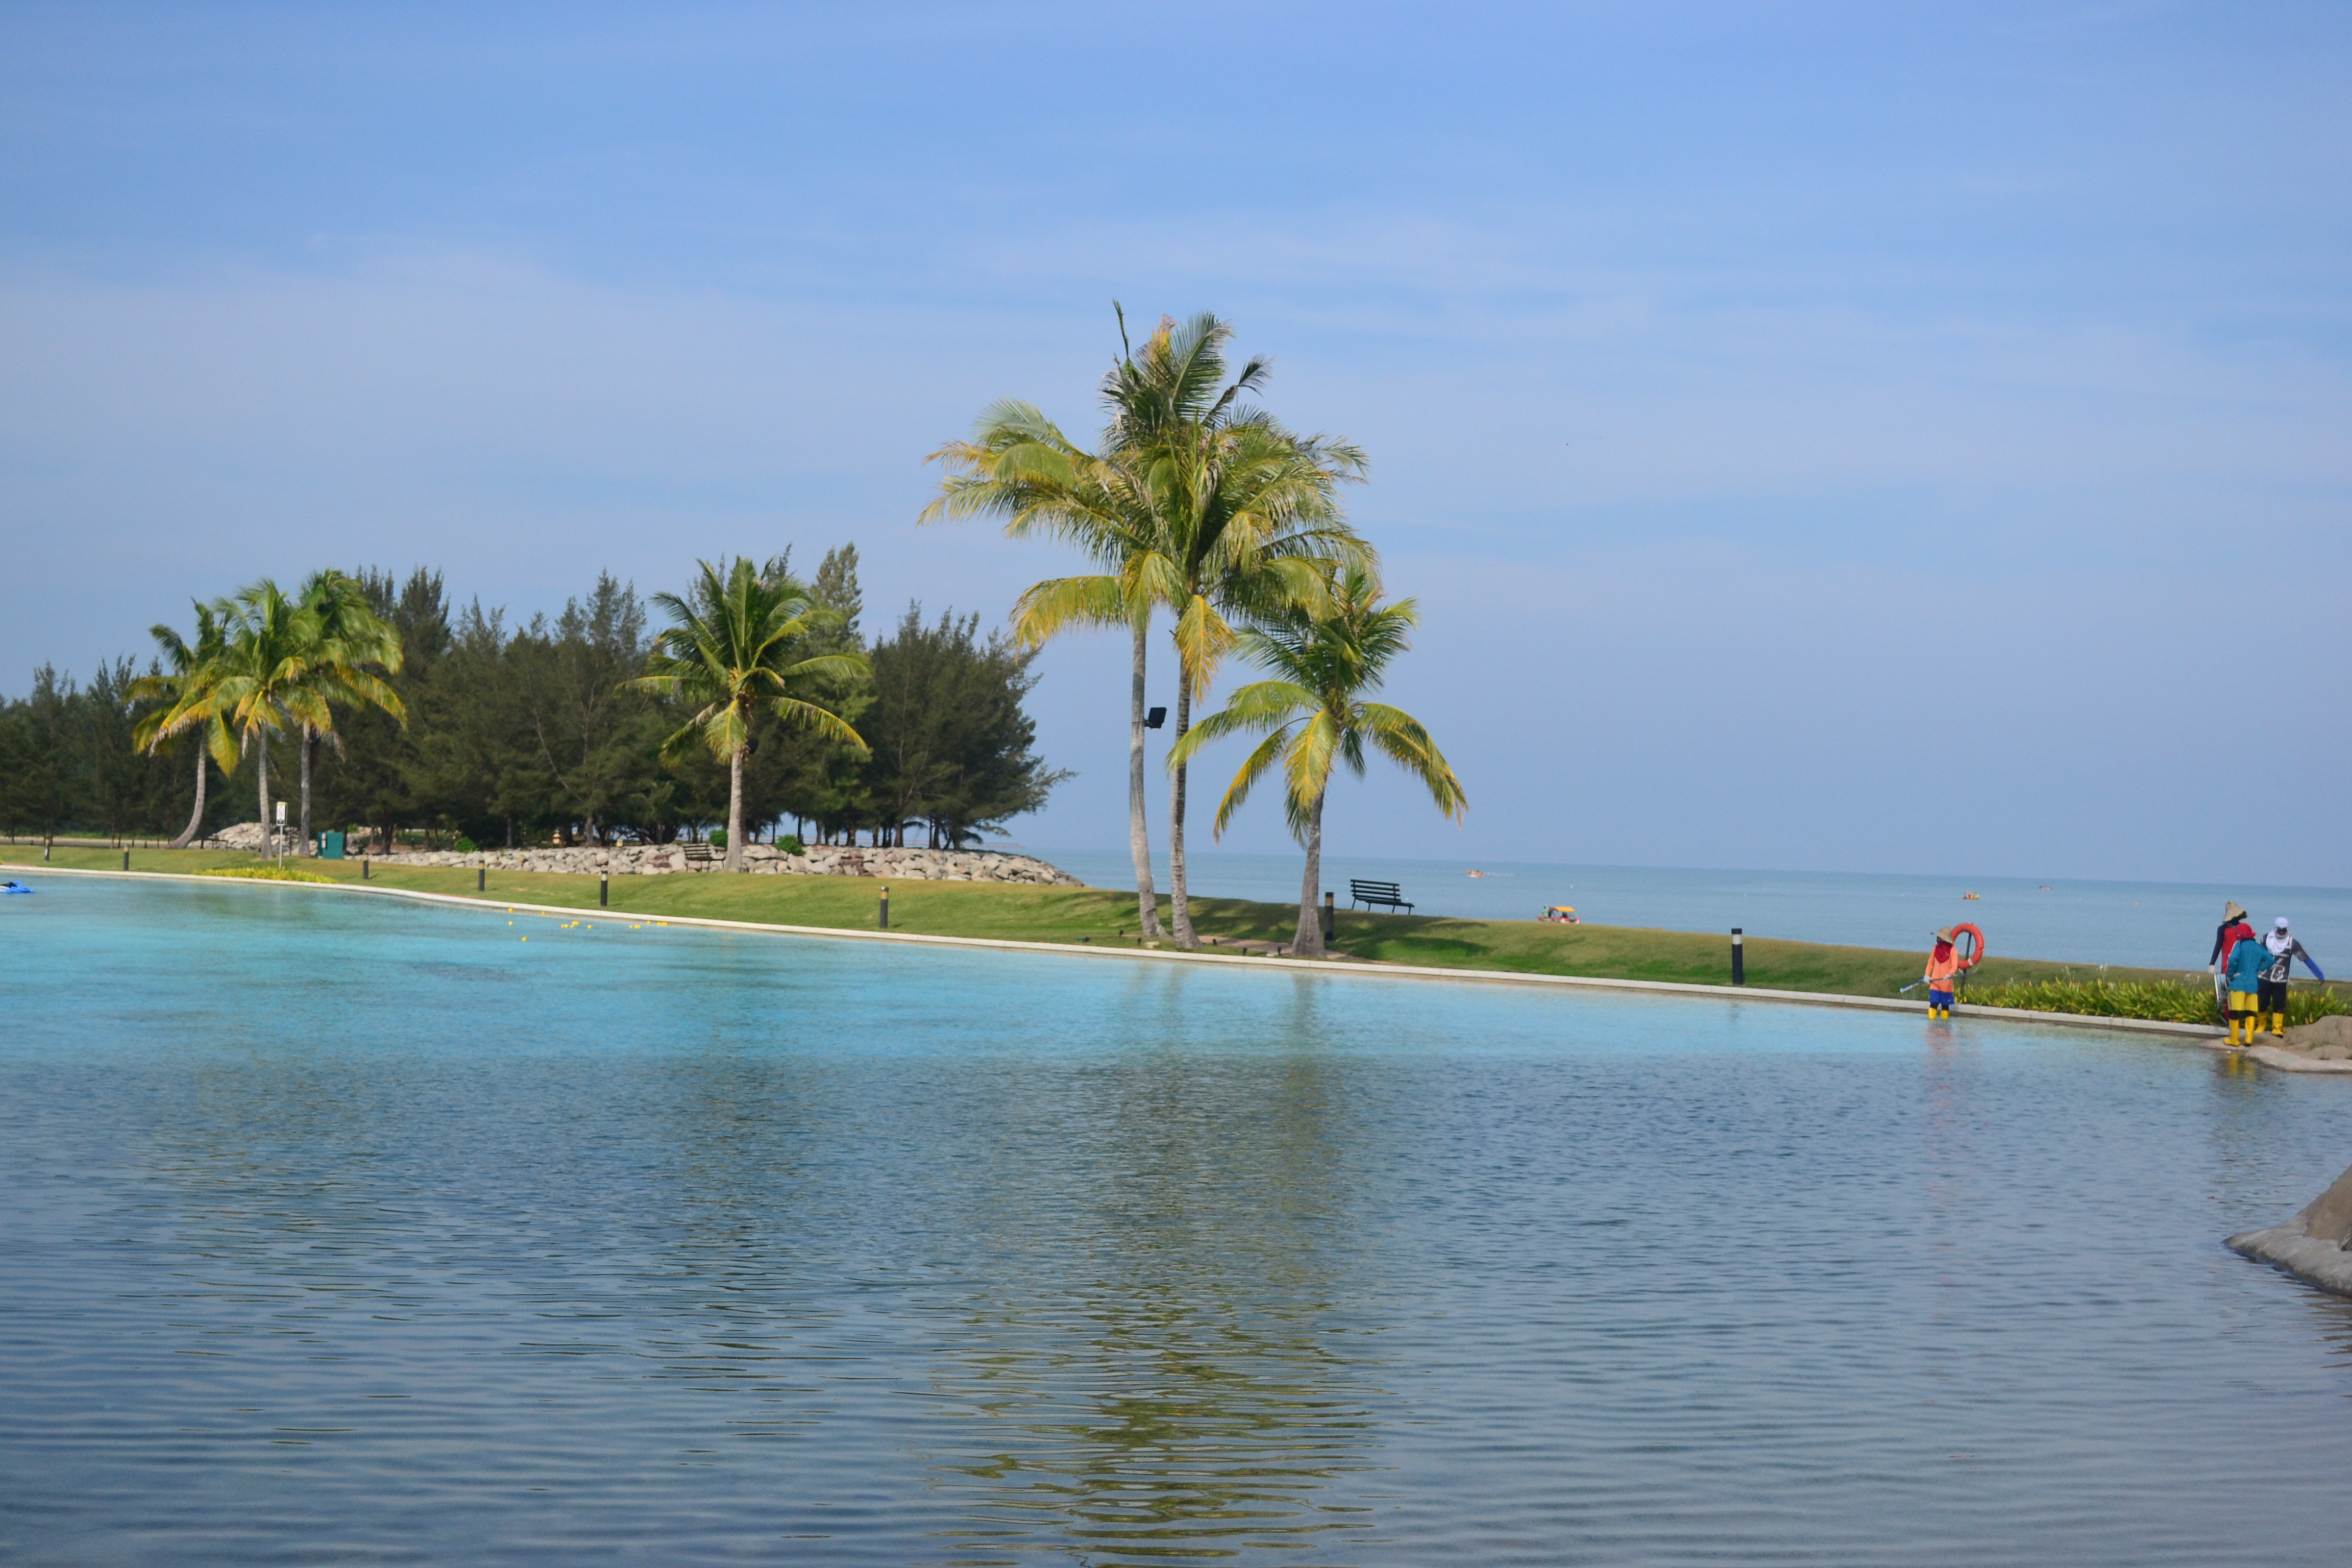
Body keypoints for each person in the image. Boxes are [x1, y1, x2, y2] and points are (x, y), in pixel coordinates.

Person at [2257, 917, 2326, 1039]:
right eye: (2279, 930)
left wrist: (2319, 974)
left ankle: (2277, 1028)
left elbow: (2305, 959)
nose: (2281, 933)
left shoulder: (2292, 944)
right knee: (2262, 1002)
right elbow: (2257, 956)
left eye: (2284, 931)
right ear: (2276, 929)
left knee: (2279, 1004)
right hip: (2264, 977)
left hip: (2281, 980)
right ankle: (2261, 1026)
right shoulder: (2265, 939)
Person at [2224, 921, 2270, 1046]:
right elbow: (2270, 960)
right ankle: (2249, 1039)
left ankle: (2234, 1040)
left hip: (2238, 983)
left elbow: (2233, 960)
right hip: (2253, 984)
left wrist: (2230, 974)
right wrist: (2259, 968)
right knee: (2250, 1012)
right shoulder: (2258, 947)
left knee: (2234, 1011)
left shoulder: (2239, 945)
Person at [2209, 900, 2256, 1019]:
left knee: (2242, 991)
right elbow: (2218, 945)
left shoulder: (2244, 929)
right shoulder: (2222, 930)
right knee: (2228, 992)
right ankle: (2229, 1016)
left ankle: (2240, 1015)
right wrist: (2212, 963)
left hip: (2243, 965)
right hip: (2228, 965)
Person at [1923, 927, 1963, 1020]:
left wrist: (1949, 974)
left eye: (1940, 937)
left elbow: (1954, 966)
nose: (1937, 939)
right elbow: (1931, 963)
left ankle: (1945, 1027)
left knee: (1945, 1006)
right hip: (1935, 983)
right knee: (1933, 1004)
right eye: (1938, 937)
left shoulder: (1953, 951)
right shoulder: (1935, 949)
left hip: (1946, 983)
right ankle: (1931, 1025)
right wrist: (1927, 975)